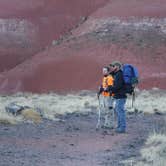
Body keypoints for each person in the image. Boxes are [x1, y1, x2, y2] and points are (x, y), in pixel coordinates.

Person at [108, 61, 127, 133]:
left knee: (120, 112)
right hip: (119, 96)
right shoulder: (117, 74)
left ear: (117, 67)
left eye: (113, 66)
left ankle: (122, 128)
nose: (112, 67)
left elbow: (117, 86)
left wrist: (111, 89)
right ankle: (119, 127)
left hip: (120, 96)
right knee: (119, 112)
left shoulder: (119, 74)